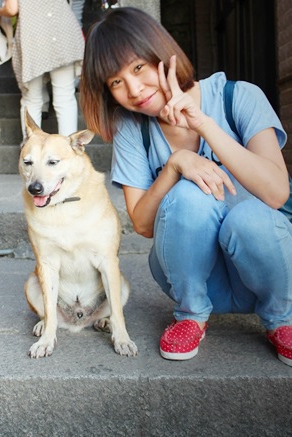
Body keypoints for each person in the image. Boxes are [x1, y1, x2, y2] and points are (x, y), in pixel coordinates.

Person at [79, 7, 292, 365]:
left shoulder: (238, 96)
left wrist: (205, 126)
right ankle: (191, 314)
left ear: (159, 52)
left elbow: (276, 192)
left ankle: (281, 318)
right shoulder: (134, 131)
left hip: (267, 266)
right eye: (116, 82)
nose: (133, 90)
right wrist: (175, 165)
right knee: (189, 196)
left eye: (137, 68)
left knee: (250, 218)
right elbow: (143, 225)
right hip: (195, 277)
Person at [0, 0, 85, 137]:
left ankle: (31, 151)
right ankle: (69, 152)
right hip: (62, 29)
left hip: (34, 35)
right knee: (65, 98)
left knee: (32, 100)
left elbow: (11, 9)